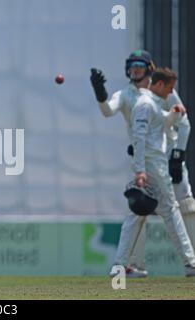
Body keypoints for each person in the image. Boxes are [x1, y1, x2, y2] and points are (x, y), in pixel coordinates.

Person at [90, 50, 195, 276]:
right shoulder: (140, 101)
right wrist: (100, 94)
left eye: (140, 65)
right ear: (159, 83)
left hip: (162, 159)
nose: (171, 94)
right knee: (171, 211)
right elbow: (137, 134)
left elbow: (164, 123)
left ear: (149, 70)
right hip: (152, 163)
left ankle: (120, 265)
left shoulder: (154, 101)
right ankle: (190, 263)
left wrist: (174, 118)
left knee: (139, 213)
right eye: (132, 65)